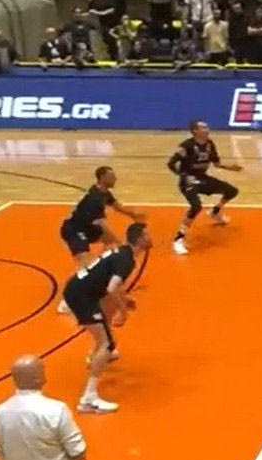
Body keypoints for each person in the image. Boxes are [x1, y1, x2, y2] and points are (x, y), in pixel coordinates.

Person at [61, 223, 151, 414]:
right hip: (81, 295)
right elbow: (112, 288)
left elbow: (108, 281)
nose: (150, 237)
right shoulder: (127, 260)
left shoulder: (121, 251)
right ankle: (88, 399)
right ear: (140, 240)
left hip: (80, 288)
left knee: (106, 321)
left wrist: (123, 299)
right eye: (146, 235)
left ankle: (95, 356)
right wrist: (123, 312)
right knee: (107, 343)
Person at [56, 166, 145, 314]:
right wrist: (121, 244)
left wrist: (134, 215)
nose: (115, 179)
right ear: (102, 178)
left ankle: (103, 276)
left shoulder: (104, 193)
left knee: (112, 245)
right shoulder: (95, 199)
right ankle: (67, 302)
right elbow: (103, 225)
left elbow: (118, 207)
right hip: (75, 231)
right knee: (86, 267)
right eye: (112, 176)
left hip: (88, 227)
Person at [167, 120, 244, 255]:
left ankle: (215, 211)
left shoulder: (209, 144)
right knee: (196, 206)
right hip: (188, 181)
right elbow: (171, 164)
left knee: (232, 191)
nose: (207, 129)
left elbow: (216, 164)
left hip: (202, 178)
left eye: (207, 127)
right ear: (195, 131)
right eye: (203, 127)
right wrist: (183, 175)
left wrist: (230, 168)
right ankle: (178, 239)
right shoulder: (187, 146)